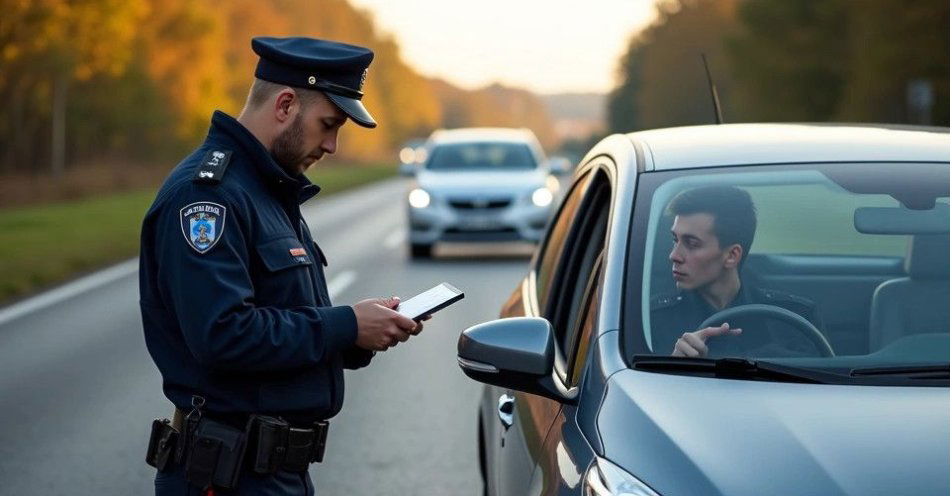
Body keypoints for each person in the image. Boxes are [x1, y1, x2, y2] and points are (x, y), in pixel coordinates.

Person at [139, 37, 423, 495]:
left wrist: (359, 332)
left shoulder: (266, 190)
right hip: (228, 476)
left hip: (270, 473)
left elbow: (282, 317)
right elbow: (224, 335)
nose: (332, 145)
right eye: (328, 124)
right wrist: (345, 326)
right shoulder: (209, 196)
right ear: (286, 104)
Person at [650, 185, 823, 358]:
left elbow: (821, 380)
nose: (674, 255)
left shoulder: (794, 319)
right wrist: (674, 364)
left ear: (732, 255)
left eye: (692, 243)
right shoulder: (652, 320)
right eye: (675, 240)